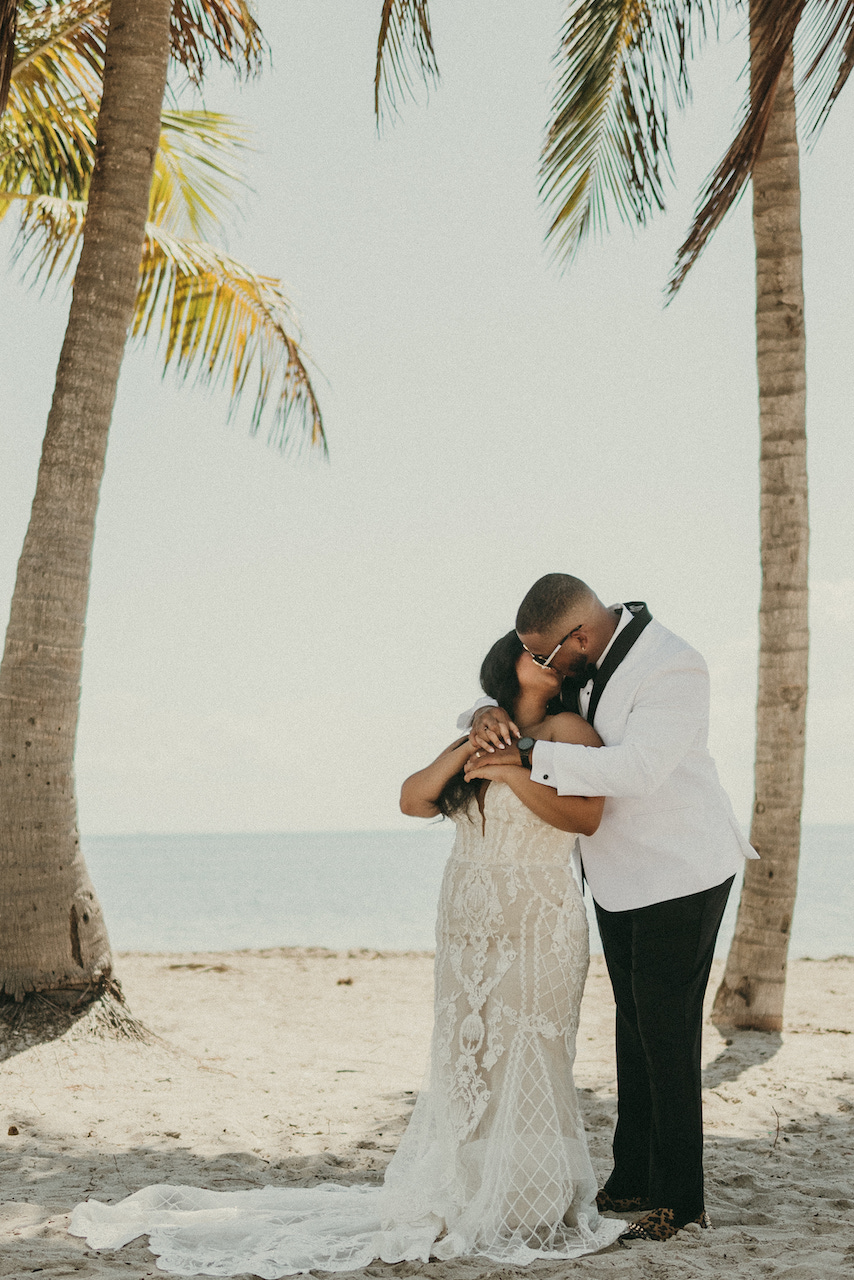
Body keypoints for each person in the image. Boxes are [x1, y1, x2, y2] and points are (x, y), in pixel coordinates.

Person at [69, 631, 624, 1273]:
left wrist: (510, 769)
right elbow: (413, 799)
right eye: (538, 652)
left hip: (538, 914)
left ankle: (529, 1197)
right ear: (511, 665)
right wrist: (473, 744)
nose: (554, 662)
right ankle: (469, 1186)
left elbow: (582, 818)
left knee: (532, 1042)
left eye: (559, 655)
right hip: (469, 912)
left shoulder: (572, 732)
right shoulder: (481, 728)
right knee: (467, 1050)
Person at [462, 573, 758, 1243]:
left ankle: (680, 1203)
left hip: (681, 870)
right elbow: (518, 702)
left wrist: (528, 754)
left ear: (579, 636)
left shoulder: (674, 664)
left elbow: (639, 770)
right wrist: (483, 716)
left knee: (667, 1034)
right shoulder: (577, 661)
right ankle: (631, 1180)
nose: (544, 667)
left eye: (546, 655)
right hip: (616, 877)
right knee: (634, 1027)